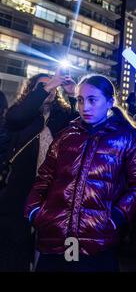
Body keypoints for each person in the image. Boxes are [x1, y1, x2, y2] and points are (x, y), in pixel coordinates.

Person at [24, 74, 136, 272]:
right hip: (54, 237)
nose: (85, 107)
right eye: (80, 100)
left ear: (109, 102)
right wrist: (35, 212)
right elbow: (44, 177)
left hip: (98, 242)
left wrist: (116, 217)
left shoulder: (126, 138)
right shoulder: (66, 135)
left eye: (92, 100)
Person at [0, 71, 77, 271]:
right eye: (43, 86)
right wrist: (47, 87)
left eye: (53, 86)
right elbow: (15, 118)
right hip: (20, 186)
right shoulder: (22, 113)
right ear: (34, 90)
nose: (50, 89)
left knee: (48, 242)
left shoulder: (61, 115)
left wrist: (73, 94)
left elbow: (80, 126)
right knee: (15, 241)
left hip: (51, 190)